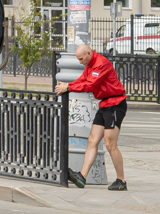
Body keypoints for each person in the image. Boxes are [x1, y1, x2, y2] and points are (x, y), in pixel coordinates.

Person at [54, 43, 129, 191]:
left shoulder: (101, 64)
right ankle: (82, 176)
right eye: (78, 60)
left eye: (81, 59)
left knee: (110, 144)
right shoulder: (89, 65)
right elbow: (83, 80)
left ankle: (121, 181)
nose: (80, 62)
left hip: (115, 104)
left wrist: (68, 88)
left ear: (89, 53)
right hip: (105, 105)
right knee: (92, 140)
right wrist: (68, 85)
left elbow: (91, 86)